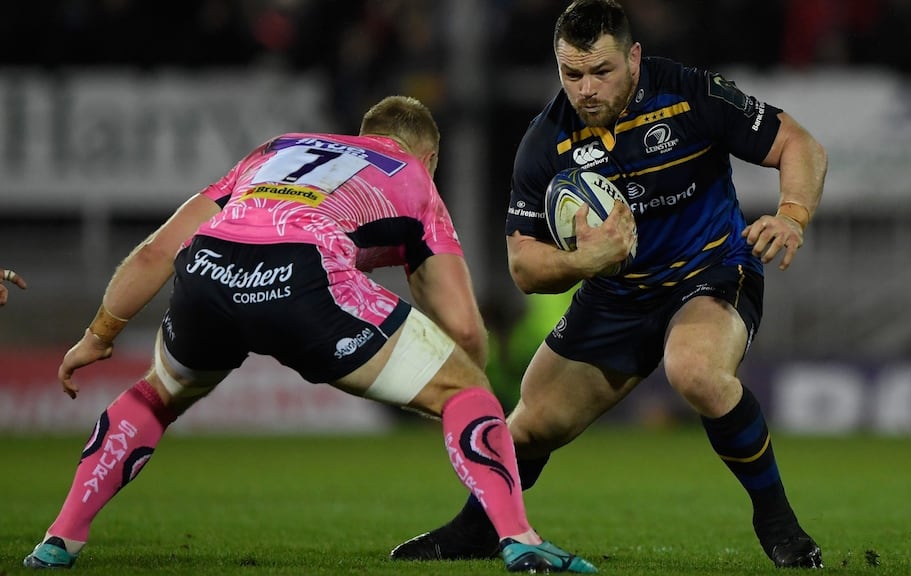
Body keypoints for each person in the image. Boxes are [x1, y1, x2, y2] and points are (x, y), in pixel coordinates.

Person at [22, 95, 597, 574]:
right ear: (431, 155)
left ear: (362, 134)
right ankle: (518, 538)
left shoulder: (278, 149)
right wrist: (462, 398)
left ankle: (60, 538)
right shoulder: (413, 177)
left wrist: (99, 334)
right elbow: (465, 327)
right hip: (301, 275)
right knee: (465, 388)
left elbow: (156, 250)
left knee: (155, 394)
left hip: (209, 270)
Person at [390, 0, 827, 569]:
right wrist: (588, 259)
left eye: (602, 71)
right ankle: (478, 529)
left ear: (635, 57)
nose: (586, 89)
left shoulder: (692, 93)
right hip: (616, 293)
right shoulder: (545, 141)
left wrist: (792, 216)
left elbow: (800, 145)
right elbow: (523, 267)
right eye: (572, 74)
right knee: (529, 424)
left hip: (710, 270)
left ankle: (778, 520)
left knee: (695, 371)